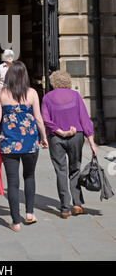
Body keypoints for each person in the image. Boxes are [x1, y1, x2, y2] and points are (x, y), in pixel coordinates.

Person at [0, 61, 48, 232]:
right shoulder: (32, 93)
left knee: (13, 183)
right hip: (30, 142)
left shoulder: (2, 93)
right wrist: (43, 137)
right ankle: (29, 213)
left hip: (9, 144)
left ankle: (15, 222)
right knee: (29, 176)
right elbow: (38, 119)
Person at [41, 70, 97, 219]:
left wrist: (58, 130)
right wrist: (91, 141)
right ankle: (77, 204)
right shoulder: (76, 96)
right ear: (68, 82)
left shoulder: (47, 97)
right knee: (75, 169)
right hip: (76, 136)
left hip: (55, 137)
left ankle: (65, 208)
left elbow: (45, 119)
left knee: (61, 171)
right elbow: (84, 118)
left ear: (53, 83)